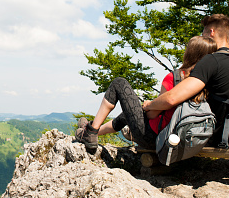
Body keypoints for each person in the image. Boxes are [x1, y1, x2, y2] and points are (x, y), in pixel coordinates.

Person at [75, 35, 217, 151]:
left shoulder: (176, 77)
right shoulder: (211, 84)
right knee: (128, 113)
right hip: (187, 141)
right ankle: (91, 130)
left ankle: (91, 130)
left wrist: (148, 105)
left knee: (119, 83)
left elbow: (153, 114)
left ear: (189, 53)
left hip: (155, 139)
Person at [143, 14, 229, 147]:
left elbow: (172, 98)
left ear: (211, 32)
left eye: (203, 32)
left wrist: (148, 105)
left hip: (207, 136)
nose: (202, 35)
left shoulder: (211, 60)